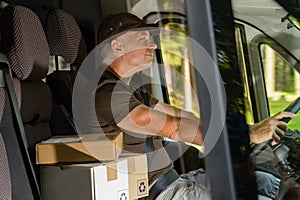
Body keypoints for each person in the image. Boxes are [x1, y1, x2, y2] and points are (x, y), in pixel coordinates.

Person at [95, 12, 296, 199]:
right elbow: (174, 127)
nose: (153, 45)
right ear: (117, 46)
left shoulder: (133, 90)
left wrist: (248, 129)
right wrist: (247, 136)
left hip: (174, 181)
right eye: (142, 39)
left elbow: (184, 116)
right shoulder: (108, 96)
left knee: (267, 182)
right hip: (161, 193)